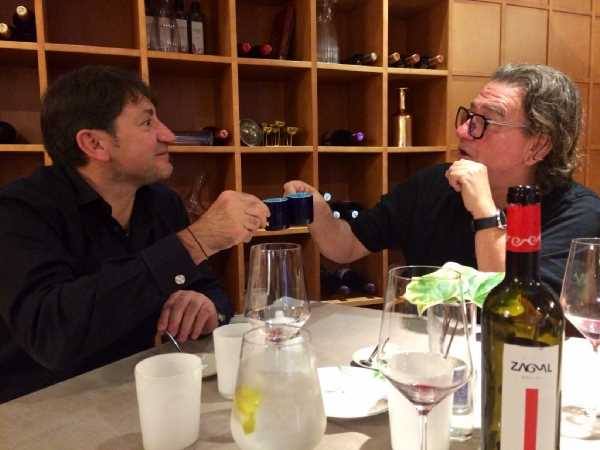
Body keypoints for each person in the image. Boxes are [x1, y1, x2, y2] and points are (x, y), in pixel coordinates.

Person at [0, 65, 269, 403]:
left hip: (141, 392)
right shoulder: (19, 211)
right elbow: (51, 336)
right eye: (147, 123)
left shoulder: (161, 203)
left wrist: (207, 306)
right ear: (95, 143)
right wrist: (196, 241)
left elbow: (212, 292)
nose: (168, 135)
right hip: (38, 408)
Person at [285, 63, 600, 294]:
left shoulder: (579, 215)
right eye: (469, 116)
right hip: (431, 356)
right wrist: (318, 211)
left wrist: (484, 212)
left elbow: (519, 313)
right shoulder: (434, 184)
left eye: (486, 121)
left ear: (538, 146)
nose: (463, 130)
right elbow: (347, 245)